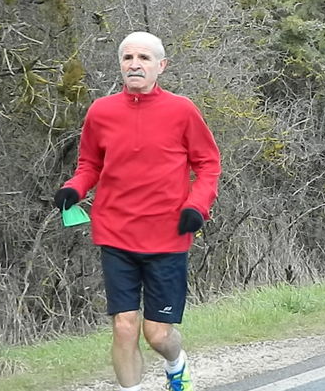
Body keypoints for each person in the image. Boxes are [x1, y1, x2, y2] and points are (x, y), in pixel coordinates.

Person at [54, 31, 221, 391]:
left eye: (144, 58)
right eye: (128, 58)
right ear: (120, 64)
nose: (135, 64)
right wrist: (73, 189)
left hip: (167, 236)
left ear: (161, 66)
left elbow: (209, 165)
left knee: (157, 335)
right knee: (124, 325)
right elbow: (89, 165)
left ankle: (176, 365)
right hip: (116, 233)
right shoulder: (101, 111)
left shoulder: (181, 110)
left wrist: (197, 206)